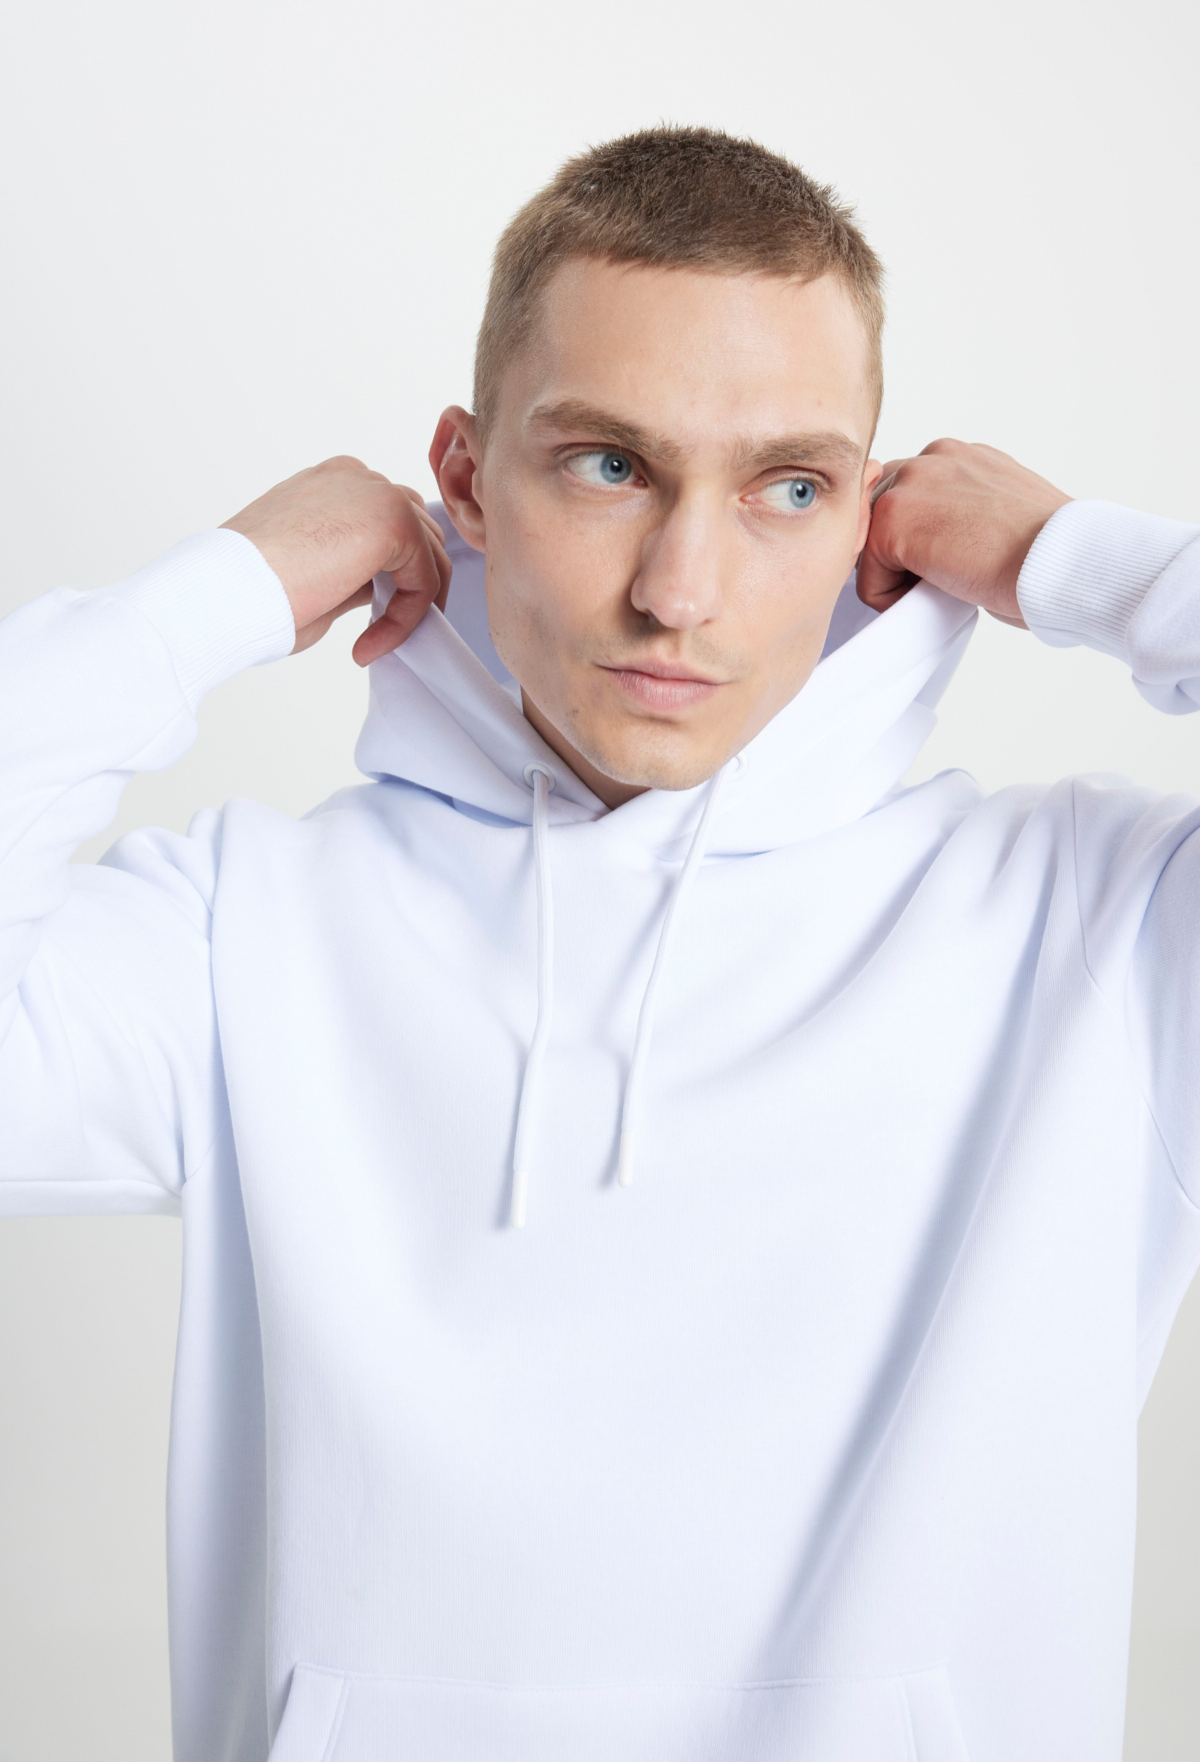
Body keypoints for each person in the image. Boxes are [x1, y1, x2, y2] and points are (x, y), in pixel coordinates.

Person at [1, 126, 1197, 1762]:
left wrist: (1080, 562)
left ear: (871, 511)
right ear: (467, 479)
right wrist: (216, 595)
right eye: (609, 466)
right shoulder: (242, 936)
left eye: (789, 487)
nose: (681, 592)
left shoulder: (1098, 933)